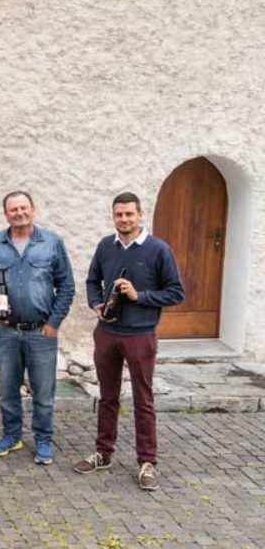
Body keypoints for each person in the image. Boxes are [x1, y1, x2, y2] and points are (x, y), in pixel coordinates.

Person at [74, 192, 184, 491]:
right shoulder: (105, 246)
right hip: (107, 332)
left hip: (141, 334)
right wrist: (96, 303)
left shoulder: (158, 250)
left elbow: (176, 292)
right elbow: (91, 280)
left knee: (143, 400)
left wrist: (140, 296)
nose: (123, 219)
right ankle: (103, 452)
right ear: (114, 216)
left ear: (140, 215)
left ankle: (147, 462)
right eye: (119, 215)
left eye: (129, 214)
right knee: (107, 396)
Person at [0, 190, 75, 465]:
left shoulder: (52, 243)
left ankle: (43, 440)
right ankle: (12, 435)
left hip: (41, 332)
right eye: (13, 210)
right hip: (6, 332)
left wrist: (54, 322)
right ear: (6, 214)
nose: (19, 213)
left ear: (33, 209)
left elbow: (66, 286)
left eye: (23, 208)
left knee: (43, 393)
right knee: (8, 390)